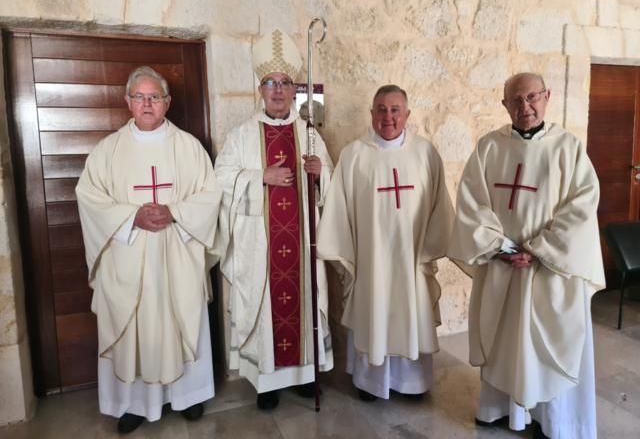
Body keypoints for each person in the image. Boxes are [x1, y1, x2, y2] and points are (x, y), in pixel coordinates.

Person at [448, 72, 605, 439]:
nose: (525, 107)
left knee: (549, 343)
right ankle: (502, 411)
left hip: (551, 271)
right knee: (505, 341)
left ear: (547, 97)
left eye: (532, 97)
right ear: (505, 104)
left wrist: (539, 249)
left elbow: (583, 205)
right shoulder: (489, 147)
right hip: (503, 268)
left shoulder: (568, 148)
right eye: (516, 100)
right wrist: (500, 248)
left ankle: (555, 421)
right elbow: (471, 204)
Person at [76, 66, 222, 433]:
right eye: (139, 97)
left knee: (180, 316)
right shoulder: (107, 152)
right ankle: (136, 404)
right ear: (127, 102)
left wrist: (174, 212)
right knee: (135, 327)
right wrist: (130, 218)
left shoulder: (189, 147)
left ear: (167, 103)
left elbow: (210, 196)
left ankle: (187, 396)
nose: (146, 103)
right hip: (128, 261)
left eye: (154, 97)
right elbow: (89, 199)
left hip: (178, 257)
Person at [214, 28, 334, 410]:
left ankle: (303, 375)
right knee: (267, 306)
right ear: (260, 88)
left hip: (302, 247)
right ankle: (266, 381)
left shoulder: (310, 135)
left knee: (302, 303)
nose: (278, 90)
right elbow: (220, 180)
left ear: (293, 90)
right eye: (271, 83)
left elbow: (330, 191)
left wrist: (319, 175)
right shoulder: (241, 137)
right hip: (260, 250)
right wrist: (259, 178)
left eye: (285, 83)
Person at [316, 85, 454, 401]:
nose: (388, 117)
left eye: (394, 110)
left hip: (411, 259)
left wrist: (428, 249)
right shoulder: (353, 156)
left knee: (410, 311)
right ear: (372, 114)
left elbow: (439, 206)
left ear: (406, 115)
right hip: (371, 261)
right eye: (381, 109)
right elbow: (339, 211)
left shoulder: (425, 153)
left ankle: (412, 383)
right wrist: (348, 257)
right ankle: (371, 383)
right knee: (373, 309)